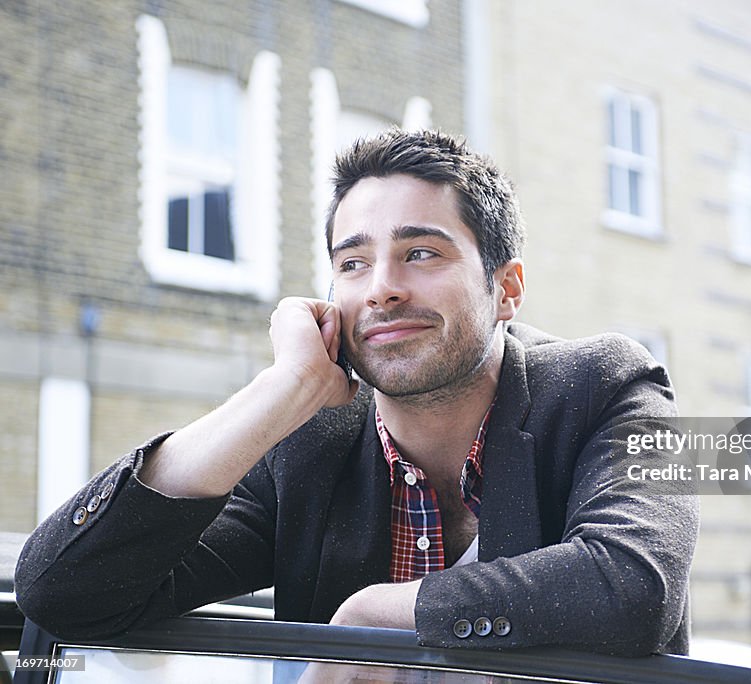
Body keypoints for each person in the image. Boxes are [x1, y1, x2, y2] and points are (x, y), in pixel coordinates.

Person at [15, 129, 698, 656]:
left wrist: (381, 612)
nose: (381, 287)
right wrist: (280, 391)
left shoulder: (607, 386)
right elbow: (63, 592)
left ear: (507, 288)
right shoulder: (308, 445)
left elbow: (636, 588)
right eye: (353, 262)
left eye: (421, 253)